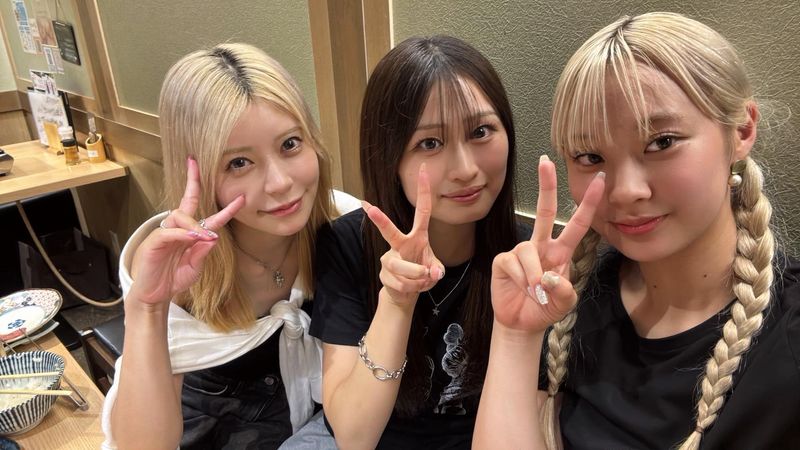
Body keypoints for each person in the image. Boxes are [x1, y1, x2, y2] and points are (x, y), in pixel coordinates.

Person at [474, 11, 800, 450]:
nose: (626, 191)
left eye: (661, 142)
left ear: (741, 131)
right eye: (590, 157)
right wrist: (515, 336)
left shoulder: (786, 344)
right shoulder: (570, 298)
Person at [101, 43, 359, 449]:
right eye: (239, 163)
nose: (280, 183)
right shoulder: (177, 264)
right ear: (199, 174)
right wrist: (148, 308)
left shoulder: (342, 225)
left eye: (290, 144)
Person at [306, 35, 530, 449]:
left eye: (481, 131)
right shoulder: (347, 245)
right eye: (430, 143)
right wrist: (396, 300)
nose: (465, 169)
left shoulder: (524, 256)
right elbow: (354, 436)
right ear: (389, 158)